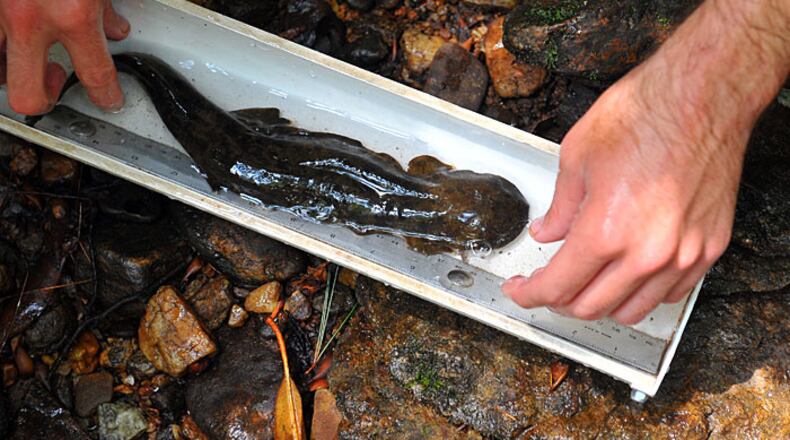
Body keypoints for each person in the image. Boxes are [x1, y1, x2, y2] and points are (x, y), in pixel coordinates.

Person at [0, 0, 787, 325]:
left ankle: (135, 69)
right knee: (219, 135)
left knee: (231, 143)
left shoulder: (420, 191)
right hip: (244, 159)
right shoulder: (422, 219)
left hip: (248, 158)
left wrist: (726, 67)